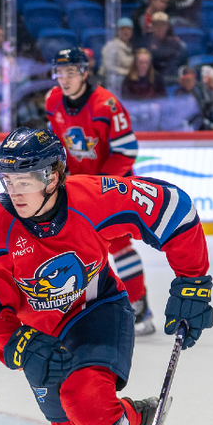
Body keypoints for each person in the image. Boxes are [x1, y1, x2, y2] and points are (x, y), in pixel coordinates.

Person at [0, 126, 212, 425]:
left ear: (55, 175)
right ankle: (132, 416)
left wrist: (193, 280)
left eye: (25, 181)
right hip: (41, 333)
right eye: (8, 181)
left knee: (86, 401)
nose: (15, 191)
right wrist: (18, 346)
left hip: (96, 311)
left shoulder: (92, 199)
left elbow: (174, 209)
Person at [44, 46, 155, 335]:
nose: (64, 79)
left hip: (110, 186)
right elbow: (57, 146)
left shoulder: (107, 105)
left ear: (84, 72)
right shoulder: (53, 100)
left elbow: (127, 151)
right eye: (60, 72)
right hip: (77, 187)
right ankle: (83, 311)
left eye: (70, 72)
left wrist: (103, 184)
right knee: (73, 247)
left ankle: (139, 305)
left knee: (117, 244)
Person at [144, 11, 186, 82]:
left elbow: (183, 57)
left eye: (163, 25)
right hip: (152, 81)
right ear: (152, 26)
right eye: (157, 25)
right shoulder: (146, 41)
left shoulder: (174, 42)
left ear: (167, 27)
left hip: (172, 79)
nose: (160, 28)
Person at [101, 17, 136, 91]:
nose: (126, 32)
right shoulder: (111, 46)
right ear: (117, 31)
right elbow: (108, 68)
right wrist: (128, 73)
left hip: (126, 81)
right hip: (111, 82)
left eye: (128, 29)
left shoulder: (131, 47)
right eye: (123, 29)